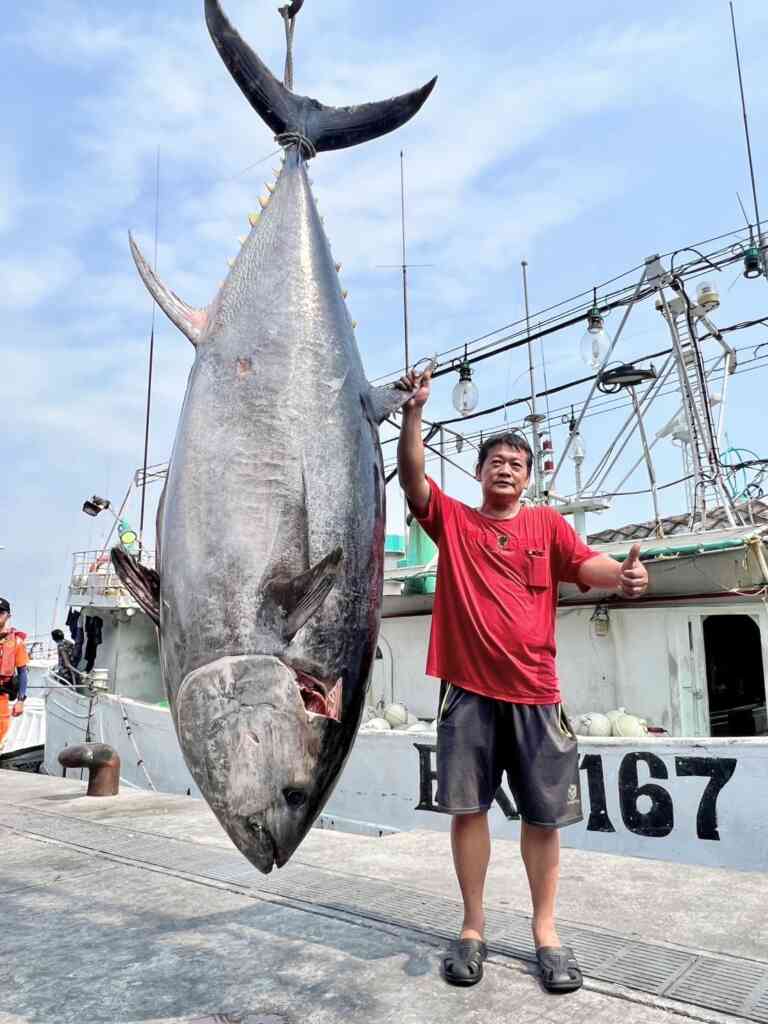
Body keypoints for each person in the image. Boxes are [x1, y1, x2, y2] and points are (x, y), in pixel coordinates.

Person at [396, 367, 648, 994]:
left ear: (528, 477)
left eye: (516, 463)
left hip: (537, 694)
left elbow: (587, 562)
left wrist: (622, 575)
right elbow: (414, 480)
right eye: (495, 462)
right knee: (468, 811)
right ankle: (473, 928)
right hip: (469, 693)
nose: (505, 470)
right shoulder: (454, 521)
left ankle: (546, 934)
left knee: (542, 819)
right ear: (479, 473)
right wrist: (413, 415)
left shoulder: (547, 526)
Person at [0, 599, 30, 749]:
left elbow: (23, 673)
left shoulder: (16, 642)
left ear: (8, 615)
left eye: (1, 612)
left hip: (2, 697)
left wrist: (20, 700)